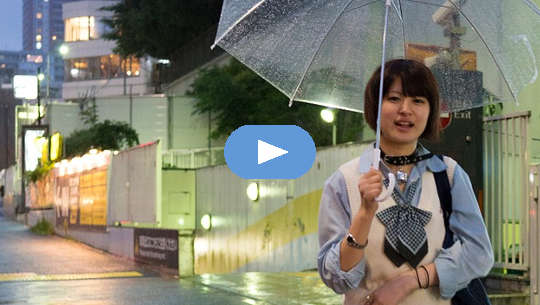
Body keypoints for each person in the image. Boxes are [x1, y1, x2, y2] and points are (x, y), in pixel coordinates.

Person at [317, 59, 493, 305]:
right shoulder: (344, 180)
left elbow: (479, 253)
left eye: (418, 100)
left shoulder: (449, 174)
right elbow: (336, 278)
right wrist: (364, 216)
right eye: (394, 98)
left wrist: (410, 281)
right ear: (374, 107)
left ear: (431, 110)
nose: (405, 110)